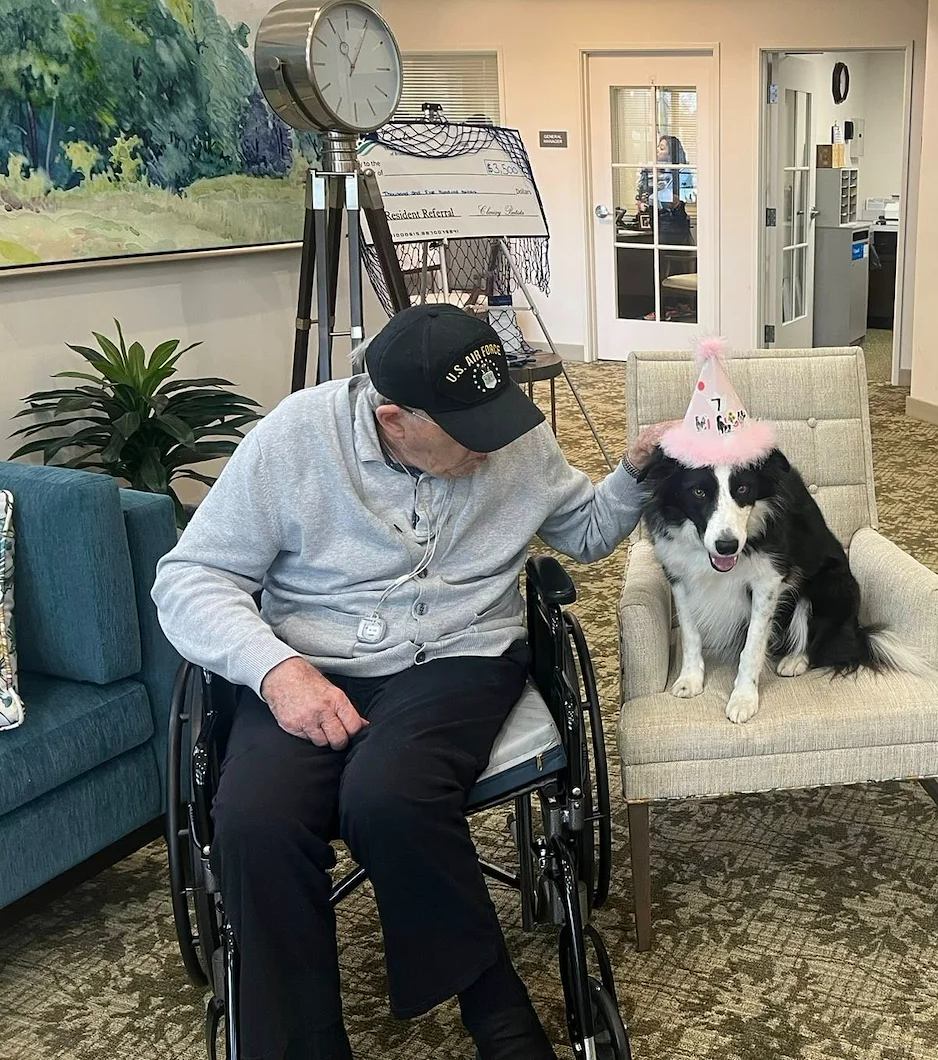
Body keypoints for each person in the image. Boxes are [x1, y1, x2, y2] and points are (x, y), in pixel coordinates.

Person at [153, 304, 671, 1060]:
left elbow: (584, 531)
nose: (490, 446)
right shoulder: (296, 439)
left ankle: (499, 1018)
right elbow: (190, 576)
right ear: (392, 418)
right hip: (308, 664)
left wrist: (634, 471)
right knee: (254, 822)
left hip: (460, 656)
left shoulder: (507, 430)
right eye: (467, 433)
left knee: (389, 796)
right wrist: (275, 670)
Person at [636, 133, 695, 246]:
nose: (657, 150)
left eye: (662, 148)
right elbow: (642, 195)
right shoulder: (651, 170)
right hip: (655, 219)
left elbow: (678, 197)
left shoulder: (682, 171)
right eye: (658, 147)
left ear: (671, 153)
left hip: (674, 222)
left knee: (673, 252)